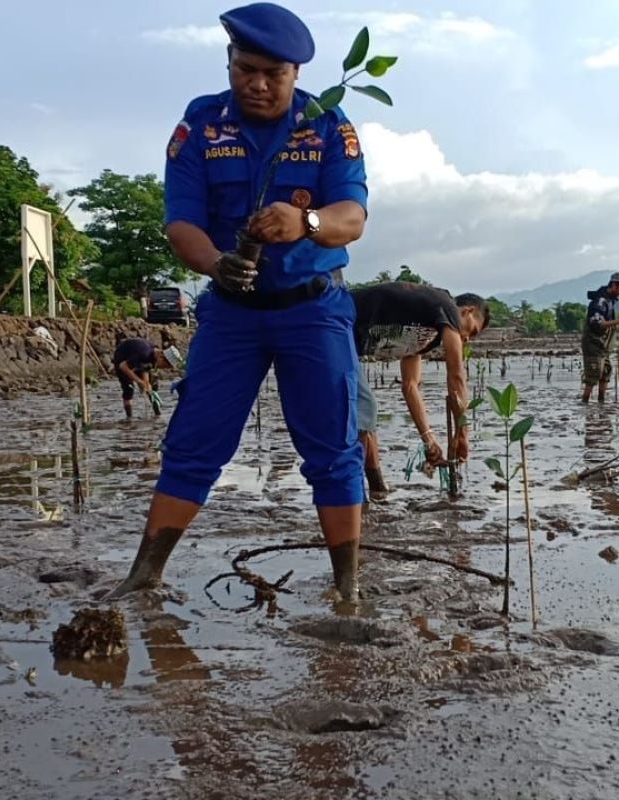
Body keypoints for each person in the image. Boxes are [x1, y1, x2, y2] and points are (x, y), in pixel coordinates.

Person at [109, 3, 369, 601]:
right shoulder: (200, 126)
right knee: (194, 443)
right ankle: (144, 575)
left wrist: (304, 221)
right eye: (244, 69)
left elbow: (351, 218)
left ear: (295, 75)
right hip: (231, 313)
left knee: (333, 449)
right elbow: (182, 224)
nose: (256, 83)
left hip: (314, 309)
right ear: (228, 63)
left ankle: (348, 588)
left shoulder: (328, 124)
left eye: (271, 74)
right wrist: (214, 265)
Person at [350, 283, 489, 496]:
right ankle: (354, 492)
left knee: (365, 411)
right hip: (336, 319)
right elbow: (456, 375)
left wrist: (429, 440)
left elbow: (410, 386)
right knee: (365, 409)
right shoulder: (447, 306)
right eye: (473, 329)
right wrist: (462, 433)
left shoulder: (425, 333)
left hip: (345, 338)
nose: (468, 338)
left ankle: (376, 488)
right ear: (466, 311)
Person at [581, 272, 619, 403]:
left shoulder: (609, 301)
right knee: (594, 373)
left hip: (604, 344)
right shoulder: (600, 301)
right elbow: (597, 323)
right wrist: (618, 322)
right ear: (614, 285)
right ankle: (585, 402)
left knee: (606, 371)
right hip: (593, 342)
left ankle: (601, 403)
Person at [113, 337, 162, 419]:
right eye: (165, 365)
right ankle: (129, 418)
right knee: (128, 389)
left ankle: (157, 414)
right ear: (161, 356)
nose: (162, 367)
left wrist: (146, 382)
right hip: (122, 357)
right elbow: (123, 366)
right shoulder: (144, 353)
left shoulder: (153, 355)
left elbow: (145, 368)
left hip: (135, 358)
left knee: (151, 386)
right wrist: (139, 381)